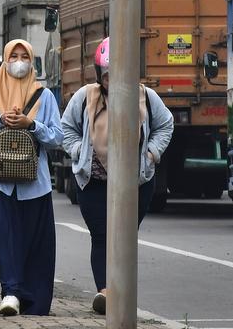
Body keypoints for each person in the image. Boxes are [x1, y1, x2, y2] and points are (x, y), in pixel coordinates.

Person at [60, 36, 174, 315]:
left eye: (118, 73)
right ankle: (105, 292)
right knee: (101, 236)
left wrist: (151, 154)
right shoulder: (85, 96)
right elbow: (66, 129)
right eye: (107, 75)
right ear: (100, 75)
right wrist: (79, 150)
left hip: (136, 183)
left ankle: (122, 292)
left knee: (124, 238)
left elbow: (165, 125)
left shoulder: (145, 96)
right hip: (94, 182)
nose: (112, 80)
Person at [0, 39, 63, 317]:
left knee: (35, 242)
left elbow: (57, 137)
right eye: (14, 56)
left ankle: (34, 301)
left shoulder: (43, 96)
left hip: (36, 182)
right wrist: (0, 121)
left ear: (32, 62)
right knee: (5, 238)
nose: (19, 61)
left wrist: (31, 124)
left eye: (24, 56)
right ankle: (10, 293)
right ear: (5, 60)